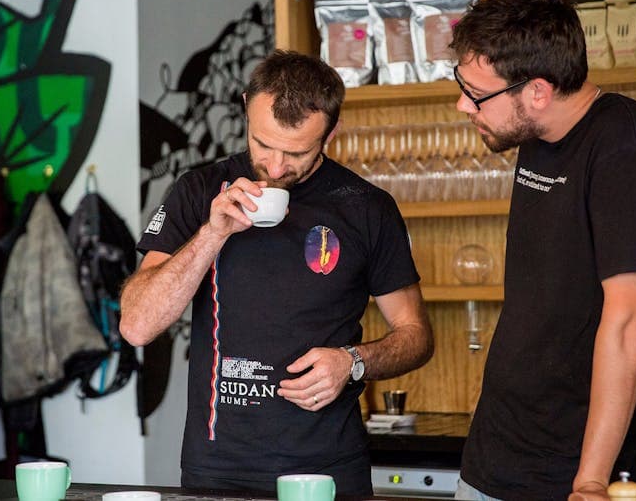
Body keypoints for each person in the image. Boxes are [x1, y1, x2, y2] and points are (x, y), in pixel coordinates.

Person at [120, 49, 434, 495]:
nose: (276, 166)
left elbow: (417, 335)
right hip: (217, 468)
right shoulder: (198, 192)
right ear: (246, 105)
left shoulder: (367, 208)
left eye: (297, 152)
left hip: (328, 468)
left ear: (331, 130)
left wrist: (354, 362)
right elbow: (136, 325)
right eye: (263, 143)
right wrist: (212, 234)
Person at [449, 0, 636, 501]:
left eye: (475, 95)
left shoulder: (623, 144)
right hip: (494, 458)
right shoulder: (536, 132)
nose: (463, 107)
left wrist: (591, 480)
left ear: (538, 91)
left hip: (571, 473)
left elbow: (629, 317)